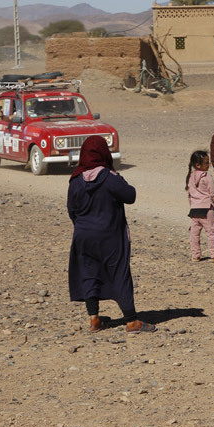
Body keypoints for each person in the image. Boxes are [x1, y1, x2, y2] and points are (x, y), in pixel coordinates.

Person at [67, 135, 156, 334]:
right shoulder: (109, 177)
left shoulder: (75, 180)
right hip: (110, 236)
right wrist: (116, 176)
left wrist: (83, 226)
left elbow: (71, 210)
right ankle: (132, 321)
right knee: (119, 273)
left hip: (83, 236)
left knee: (89, 274)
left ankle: (94, 319)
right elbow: (130, 195)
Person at [186, 150, 214, 262]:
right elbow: (213, 193)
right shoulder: (206, 176)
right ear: (198, 165)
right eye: (206, 163)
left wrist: (192, 205)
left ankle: (195, 255)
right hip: (206, 208)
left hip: (194, 210)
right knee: (211, 231)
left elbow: (189, 194)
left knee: (194, 233)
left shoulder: (190, 176)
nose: (208, 165)